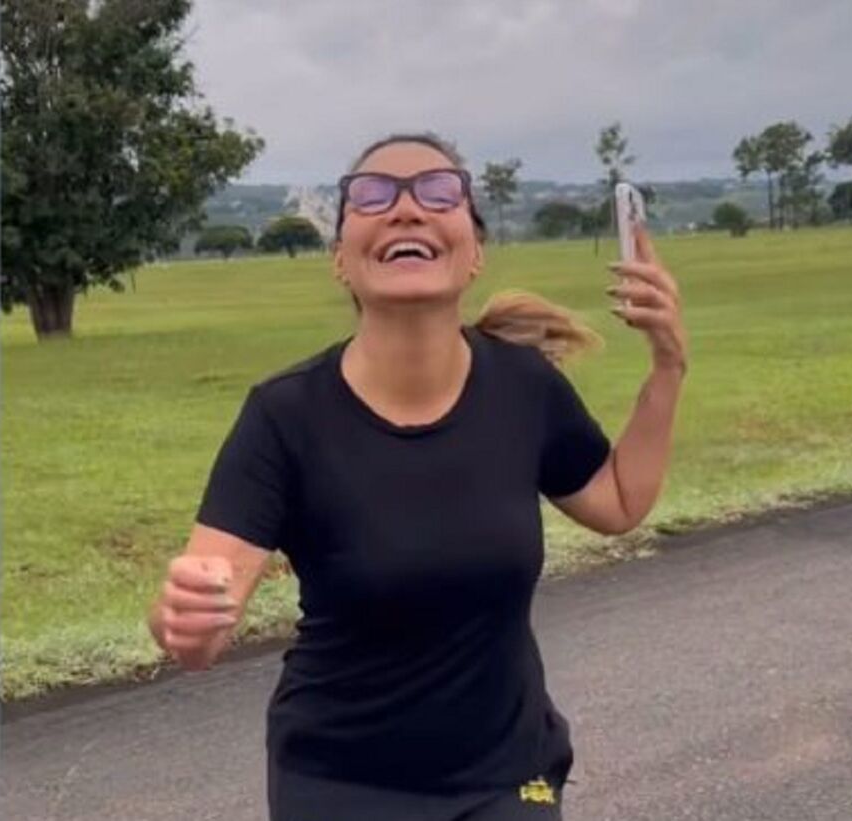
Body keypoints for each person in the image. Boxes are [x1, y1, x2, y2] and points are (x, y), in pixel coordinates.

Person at [148, 131, 687, 821]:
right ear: (341, 259)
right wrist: (185, 618)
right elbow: (201, 623)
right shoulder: (285, 415)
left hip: (512, 773)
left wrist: (668, 367)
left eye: (439, 191)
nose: (406, 208)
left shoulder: (524, 386)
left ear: (474, 251)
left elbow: (617, 501)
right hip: (340, 782)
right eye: (372, 195)